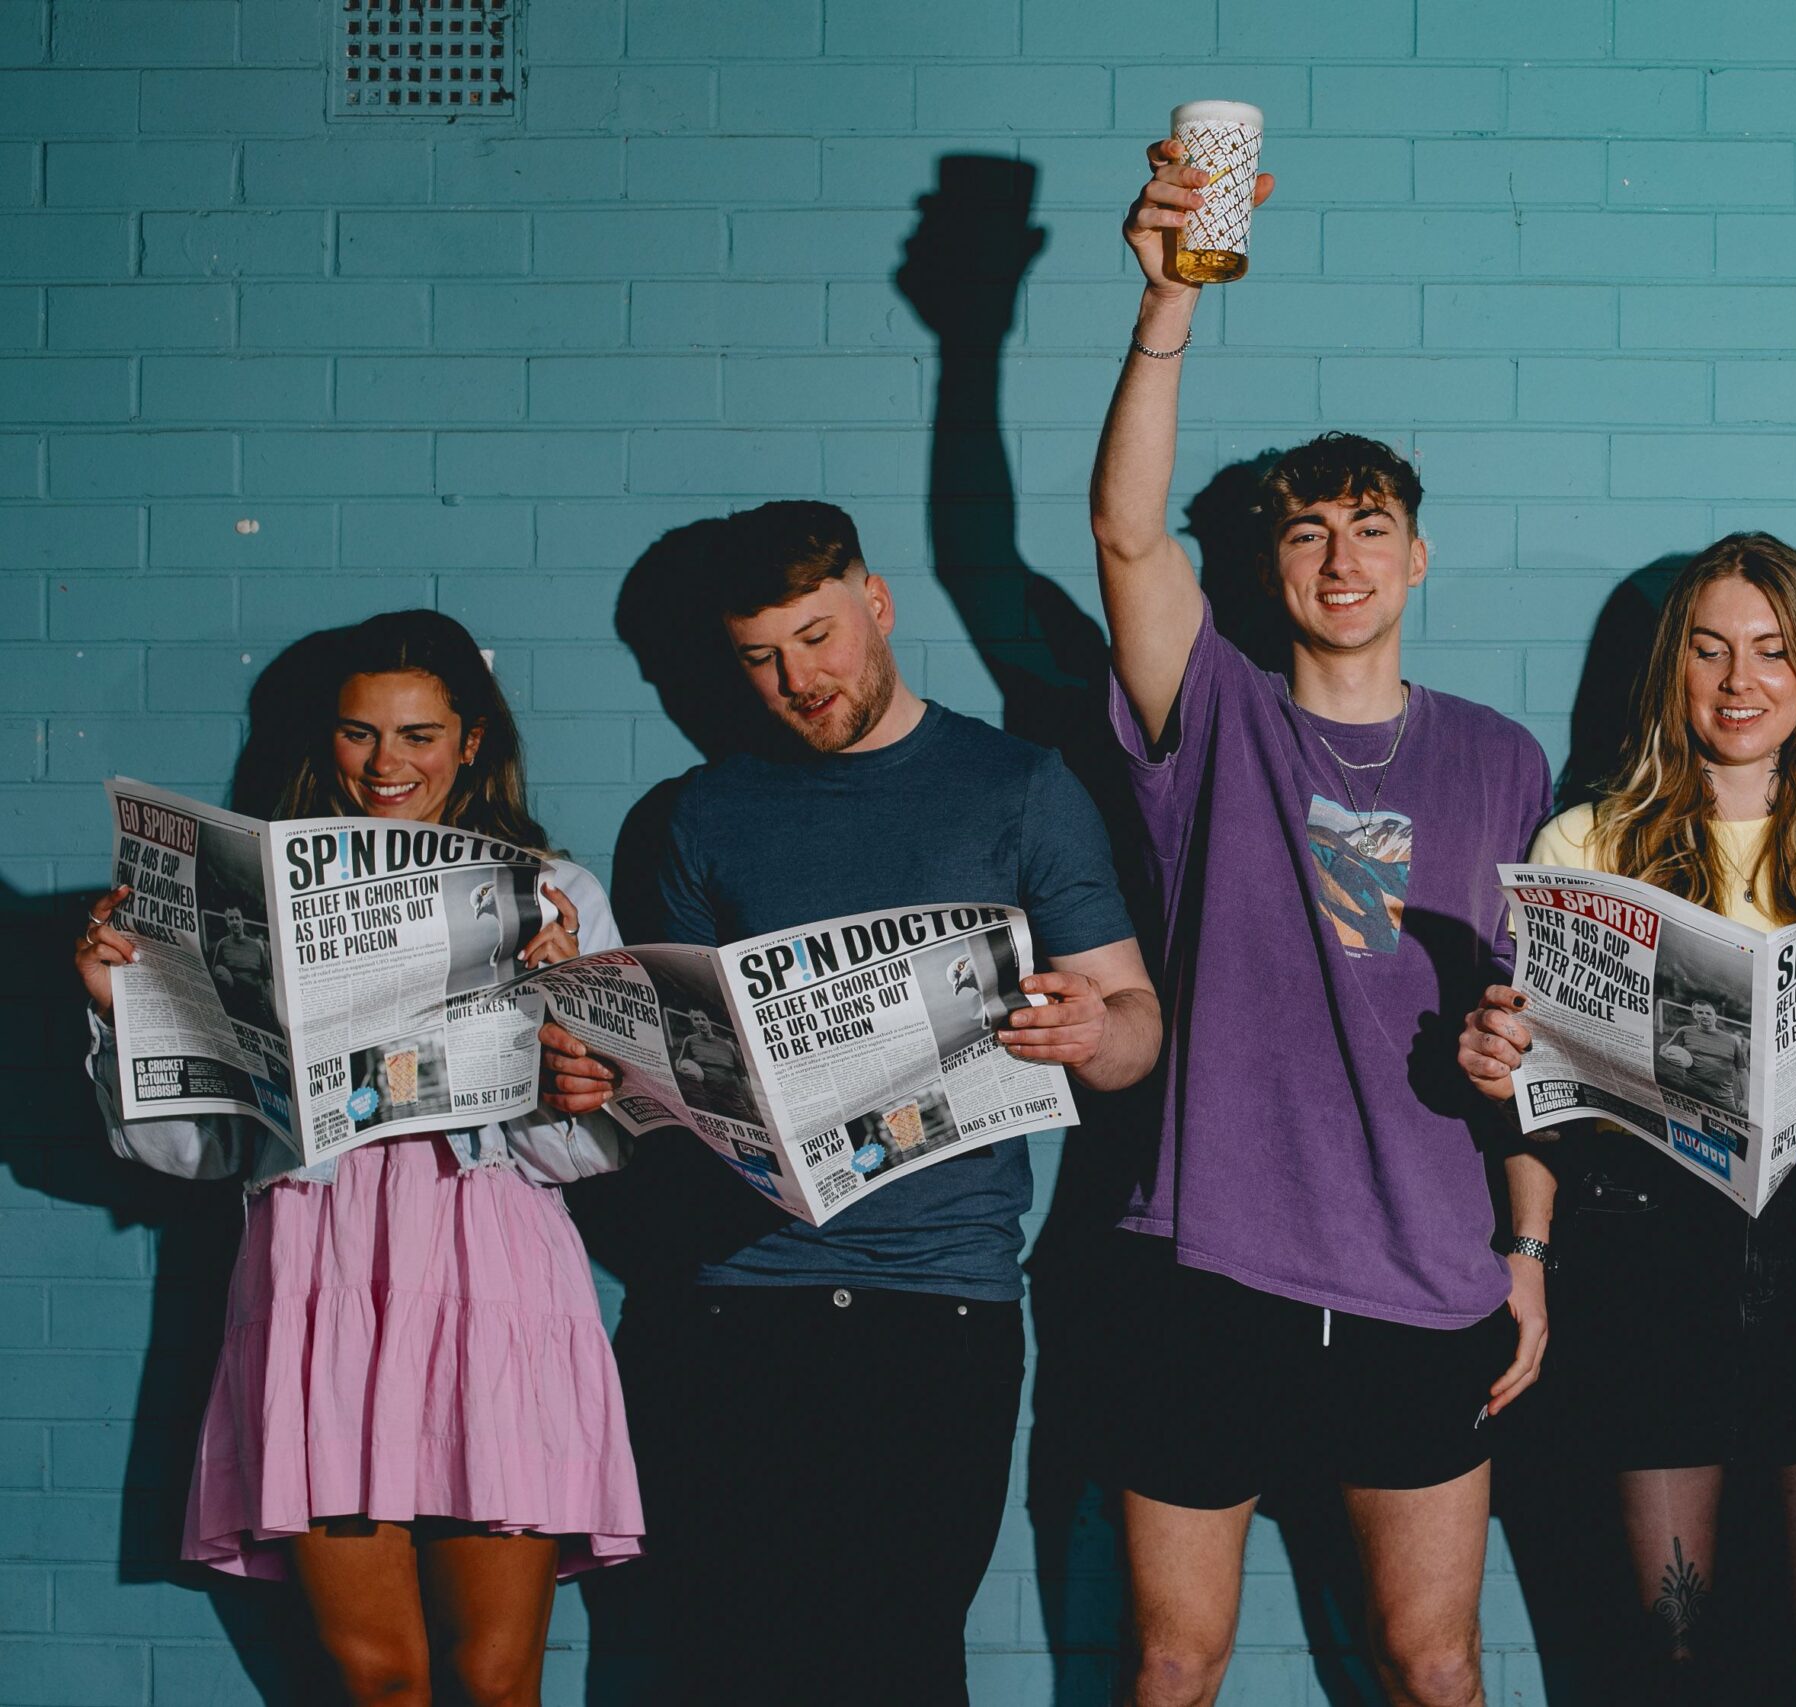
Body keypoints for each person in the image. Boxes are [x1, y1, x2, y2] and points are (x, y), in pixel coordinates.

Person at [542, 499, 1161, 1705]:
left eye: (817, 638)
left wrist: (1092, 1029)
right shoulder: (693, 813)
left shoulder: (1020, 787)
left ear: (874, 606)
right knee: (722, 1667)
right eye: (760, 658)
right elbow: (656, 1070)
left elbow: (1135, 1028)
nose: (796, 680)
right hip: (730, 1308)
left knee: (899, 1663)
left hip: (937, 1306)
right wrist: (597, 1084)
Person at [1093, 139, 1560, 1707]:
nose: (1342, 557)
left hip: (1427, 1267)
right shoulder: (1213, 712)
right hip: (1208, 1261)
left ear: (1416, 557)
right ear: (1270, 568)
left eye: (1370, 528)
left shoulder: (1500, 756)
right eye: (1308, 532)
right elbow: (1125, 540)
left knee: (1434, 1664)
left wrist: (1529, 1243)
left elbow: (1534, 1030)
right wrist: (1168, 312)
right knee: (1173, 1658)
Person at [1454, 534, 1796, 1706]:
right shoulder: (1584, 843)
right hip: (1645, 1252)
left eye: (1770, 652)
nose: (1739, 682)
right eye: (1710, 651)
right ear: (1672, 671)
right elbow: (1545, 1111)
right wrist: (1503, 1066)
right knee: (1669, 1658)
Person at [72, 610, 643, 1707]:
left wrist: (563, 1014)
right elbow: (192, 1152)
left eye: (421, 735)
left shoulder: (556, 891)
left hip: (496, 1278)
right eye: (359, 734)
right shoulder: (245, 904)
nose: (388, 764)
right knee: (377, 1680)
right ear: (323, 740)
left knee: (496, 1674)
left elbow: (581, 1152)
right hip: (317, 1278)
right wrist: (121, 1016)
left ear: (472, 741)